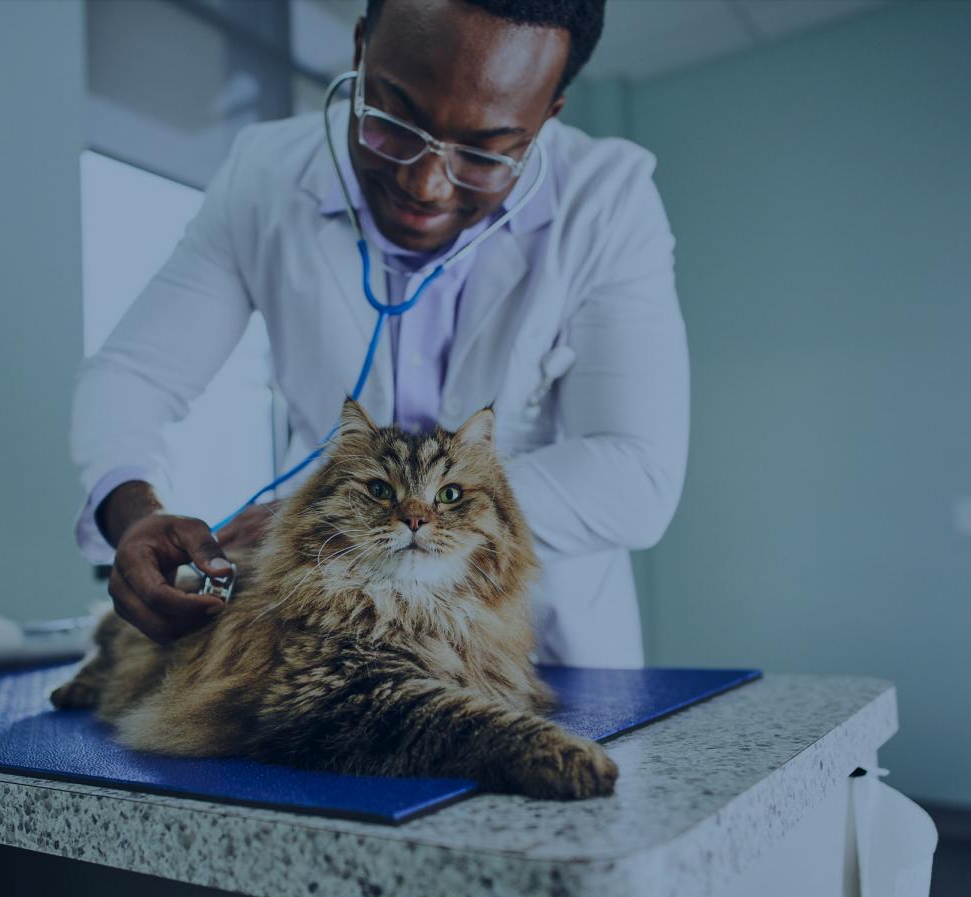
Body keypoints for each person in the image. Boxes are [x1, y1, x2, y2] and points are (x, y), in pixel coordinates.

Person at [70, 0, 689, 668]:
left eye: (483, 154)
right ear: (361, 52)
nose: (424, 184)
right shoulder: (265, 176)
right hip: (330, 636)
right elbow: (134, 375)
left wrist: (326, 518)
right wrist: (133, 512)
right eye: (395, 121)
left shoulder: (609, 203)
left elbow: (635, 472)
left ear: (547, 118)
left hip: (543, 648)